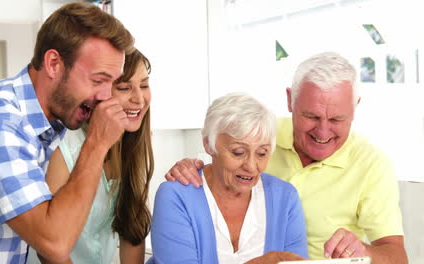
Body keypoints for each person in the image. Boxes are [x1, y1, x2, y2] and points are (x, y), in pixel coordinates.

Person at [165, 52, 408, 263]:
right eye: (311, 116)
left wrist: (363, 251)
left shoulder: (373, 165)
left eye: (336, 119)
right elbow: (218, 165)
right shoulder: (262, 134)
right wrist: (190, 167)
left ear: (355, 107)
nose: (323, 131)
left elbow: (397, 257)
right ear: (290, 100)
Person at [0, 2, 134, 263]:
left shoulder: (47, 124)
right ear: (53, 64)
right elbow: (54, 242)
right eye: (98, 80)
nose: (107, 96)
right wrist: (97, 143)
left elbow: (47, 236)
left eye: (112, 82)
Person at [148, 93, 308, 264]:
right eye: (238, 152)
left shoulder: (285, 198)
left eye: (262, 153)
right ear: (208, 144)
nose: (251, 166)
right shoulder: (176, 196)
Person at [27, 49, 153, 264]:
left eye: (144, 85)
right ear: (98, 92)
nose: (139, 99)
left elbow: (132, 232)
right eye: (124, 88)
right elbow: (49, 250)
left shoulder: (134, 146)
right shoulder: (65, 145)